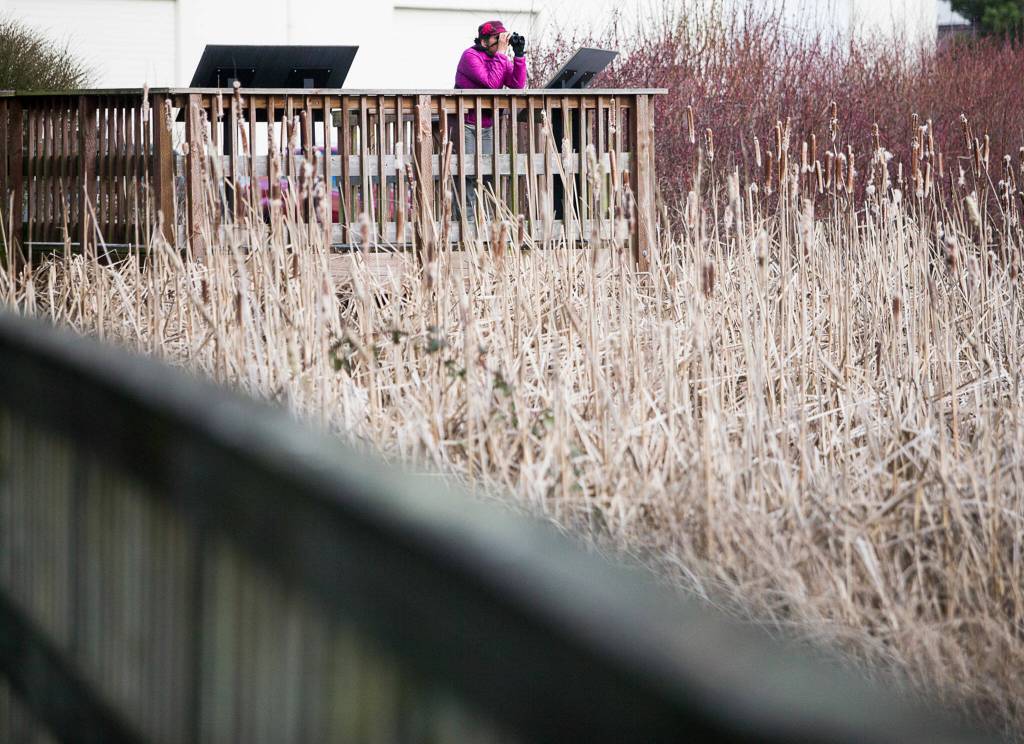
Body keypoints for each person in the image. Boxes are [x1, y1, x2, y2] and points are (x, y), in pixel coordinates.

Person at [453, 21, 527, 220]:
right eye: (497, 38)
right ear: (484, 41)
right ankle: (465, 226)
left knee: (487, 175)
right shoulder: (470, 56)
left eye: (503, 38)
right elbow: (491, 84)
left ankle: (483, 225)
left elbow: (517, 85)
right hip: (466, 124)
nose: (501, 42)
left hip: (487, 125)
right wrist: (502, 54)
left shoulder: (498, 59)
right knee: (467, 174)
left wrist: (519, 56)